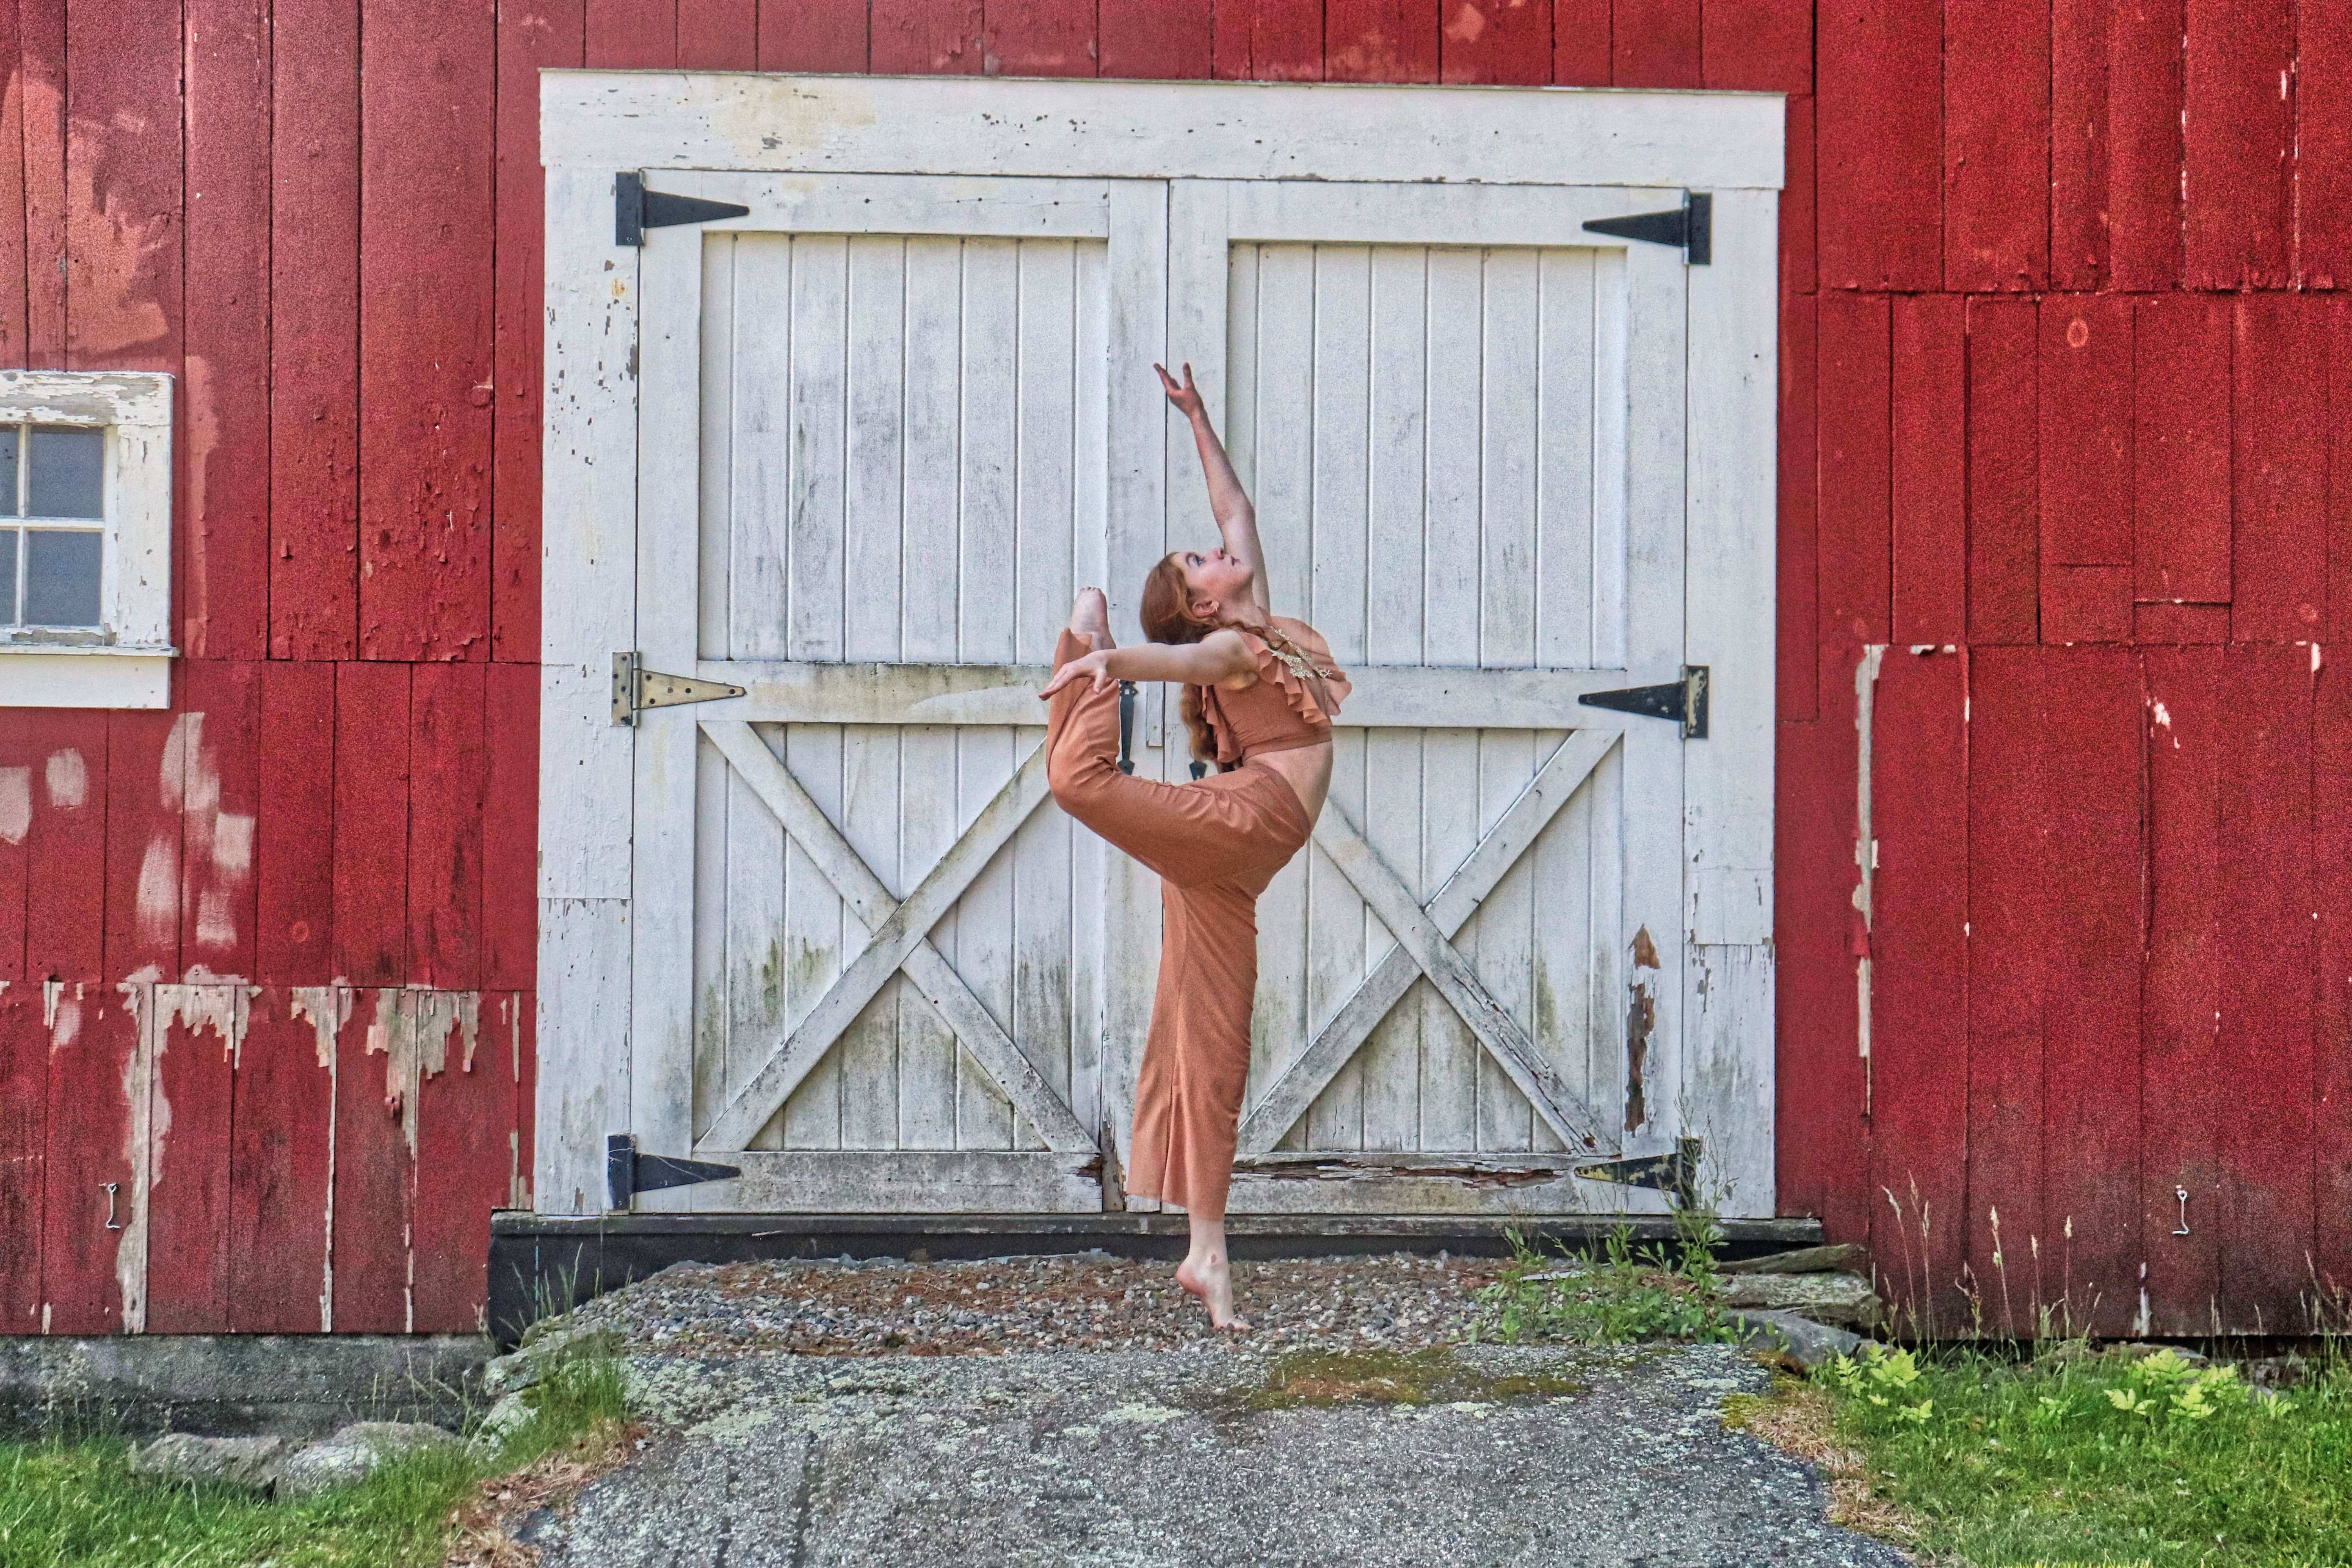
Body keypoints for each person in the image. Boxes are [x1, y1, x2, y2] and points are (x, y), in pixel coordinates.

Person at [1038, 362, 1350, 1330]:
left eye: (1208, 551)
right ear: (1206, 603)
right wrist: (1105, 657)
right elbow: (1177, 656)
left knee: (1212, 1041)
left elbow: (1236, 506)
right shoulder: (1231, 650)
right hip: (1240, 822)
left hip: (1236, 858)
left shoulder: (1259, 621)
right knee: (1076, 781)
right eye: (1199, 562)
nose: (1217, 550)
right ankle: (1076, 638)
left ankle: (1206, 1255)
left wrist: (1199, 419)